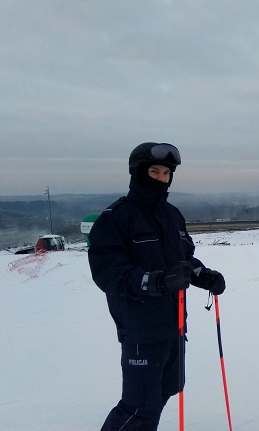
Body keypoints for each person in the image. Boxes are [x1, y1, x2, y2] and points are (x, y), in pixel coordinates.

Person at [88, 142, 226, 431]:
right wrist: (156, 282)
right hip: (141, 329)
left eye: (166, 173)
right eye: (154, 171)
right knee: (139, 406)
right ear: (138, 172)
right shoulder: (116, 218)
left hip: (174, 327)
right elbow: (109, 273)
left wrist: (205, 276)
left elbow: (185, 260)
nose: (161, 178)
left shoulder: (172, 215)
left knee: (164, 392)